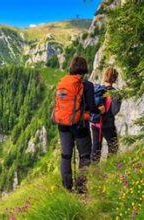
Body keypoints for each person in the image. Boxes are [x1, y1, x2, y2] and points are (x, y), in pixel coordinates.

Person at [52, 56, 105, 193]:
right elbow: (92, 107)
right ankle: (81, 188)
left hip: (63, 125)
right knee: (85, 155)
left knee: (66, 156)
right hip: (80, 125)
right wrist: (100, 110)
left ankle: (67, 187)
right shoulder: (86, 85)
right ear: (84, 69)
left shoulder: (63, 81)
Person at [91, 68, 121, 162]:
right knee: (113, 146)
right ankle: (110, 167)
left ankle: (92, 171)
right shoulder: (115, 93)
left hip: (95, 123)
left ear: (104, 76)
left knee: (96, 147)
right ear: (115, 79)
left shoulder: (97, 89)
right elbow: (114, 111)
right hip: (107, 125)